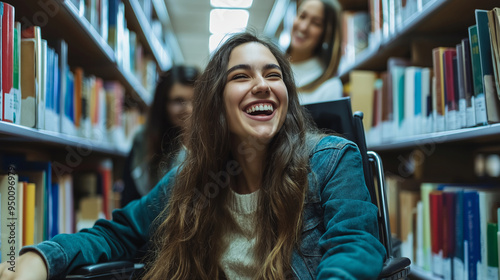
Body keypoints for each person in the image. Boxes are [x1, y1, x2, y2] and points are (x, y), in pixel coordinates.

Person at [0, 32, 385, 280]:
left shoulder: (332, 161)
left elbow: (356, 245)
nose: (262, 86)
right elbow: (117, 234)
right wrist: (40, 259)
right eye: (241, 77)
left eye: (273, 75)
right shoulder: (192, 180)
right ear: (216, 104)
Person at [121, 65, 200, 206]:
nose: (189, 109)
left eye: (195, 101)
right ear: (163, 104)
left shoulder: (212, 144)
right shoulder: (142, 143)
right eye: (178, 101)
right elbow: (129, 201)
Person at [287, 0, 344, 105]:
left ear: (327, 34)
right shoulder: (269, 65)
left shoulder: (330, 87)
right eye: (302, 16)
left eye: (316, 23)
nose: (303, 27)